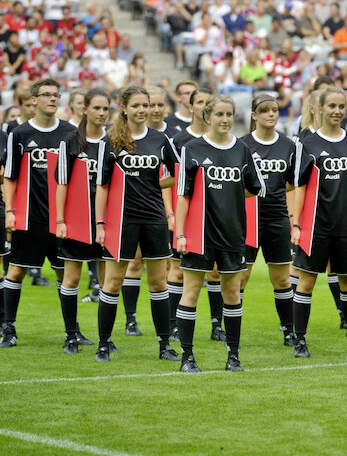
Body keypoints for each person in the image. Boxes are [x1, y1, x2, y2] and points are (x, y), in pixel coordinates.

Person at [175, 95, 266, 373]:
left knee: (232, 293)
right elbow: (183, 195)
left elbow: (254, 188)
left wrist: (229, 200)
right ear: (207, 117)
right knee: (191, 291)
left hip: (232, 234)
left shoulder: (242, 149)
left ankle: (233, 356)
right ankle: (187, 357)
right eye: (219, 114)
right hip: (199, 235)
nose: (225, 120)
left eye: (229, 114)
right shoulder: (192, 149)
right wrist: (180, 233)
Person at [95, 86, 180, 362]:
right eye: (136, 105)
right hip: (122, 220)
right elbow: (102, 186)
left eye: (146, 105)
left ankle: (164, 345)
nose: (143, 110)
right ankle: (103, 345)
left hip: (154, 218)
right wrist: (99, 223)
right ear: (124, 108)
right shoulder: (110, 140)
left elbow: (178, 173)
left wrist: (153, 184)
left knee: (158, 282)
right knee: (113, 282)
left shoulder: (161, 139)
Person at [1, 78, 80, 348]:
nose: (53, 99)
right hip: (29, 216)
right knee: (16, 271)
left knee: (64, 273)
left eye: (56, 94)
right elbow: (10, 176)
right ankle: (8, 329)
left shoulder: (70, 132)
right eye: (46, 94)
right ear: (33, 100)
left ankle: (72, 332)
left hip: (62, 220)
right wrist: (10, 211)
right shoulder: (20, 134)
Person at [291, 87, 347, 358]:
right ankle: (300, 340)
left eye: (341, 106)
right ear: (320, 108)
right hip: (316, 227)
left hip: (346, 227)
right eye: (332, 106)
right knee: (306, 282)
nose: (337, 111)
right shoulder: (307, 144)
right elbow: (299, 186)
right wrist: (296, 224)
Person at [164, 89, 225, 343]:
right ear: (191, 107)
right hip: (186, 216)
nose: (204, 106)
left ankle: (217, 325)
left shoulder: (223, 140)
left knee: (216, 272)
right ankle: (173, 326)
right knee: (178, 271)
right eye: (200, 102)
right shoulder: (178, 141)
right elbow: (169, 181)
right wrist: (171, 214)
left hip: (216, 218)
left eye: (209, 102)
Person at [240, 95, 298, 346]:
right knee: (240, 278)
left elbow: (293, 183)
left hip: (277, 218)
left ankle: (288, 331)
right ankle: (228, 330)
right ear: (254, 115)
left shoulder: (288, 145)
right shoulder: (242, 145)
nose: (271, 114)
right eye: (265, 111)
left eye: (274, 110)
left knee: (282, 279)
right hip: (247, 219)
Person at [55, 89, 109, 354]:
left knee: (107, 281)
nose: (101, 113)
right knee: (72, 279)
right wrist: (60, 220)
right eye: (96, 108)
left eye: (106, 109)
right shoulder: (70, 141)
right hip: (76, 219)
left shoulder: (113, 141)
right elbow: (61, 183)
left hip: (107, 221)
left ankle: (105, 339)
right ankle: (71, 336)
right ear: (85, 109)